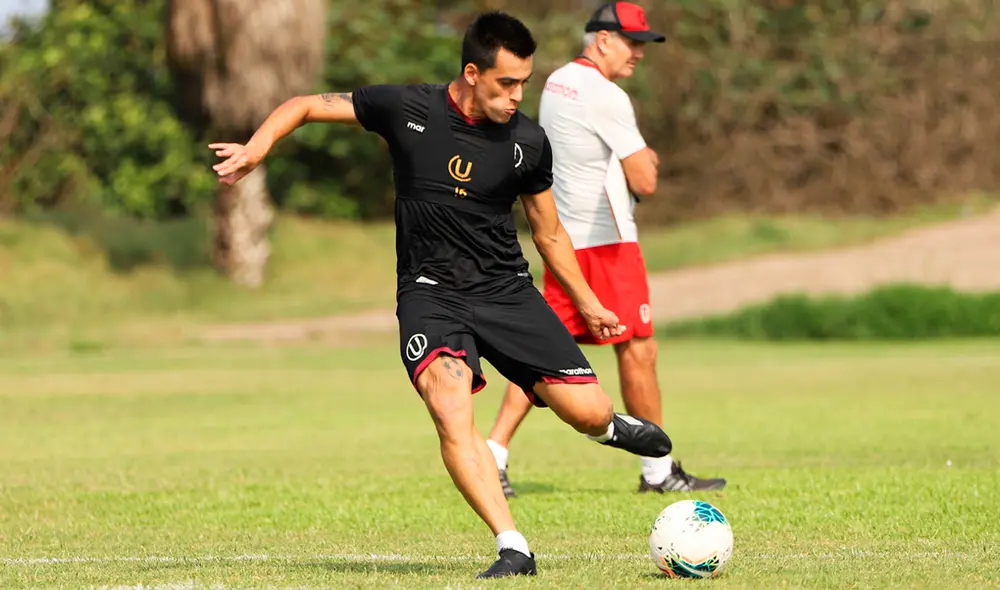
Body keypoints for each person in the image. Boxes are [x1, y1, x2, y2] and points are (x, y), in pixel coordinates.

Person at [209, 10, 676, 580]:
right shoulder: (408, 108)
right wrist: (257, 148)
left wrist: (588, 303)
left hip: (506, 292)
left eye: (524, 83)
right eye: (507, 83)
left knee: (585, 412)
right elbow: (306, 105)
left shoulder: (528, 141)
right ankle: (513, 546)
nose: (517, 96)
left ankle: (611, 428)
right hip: (430, 294)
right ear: (472, 73)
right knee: (450, 408)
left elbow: (550, 233)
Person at [485, 2, 727, 498]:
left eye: (643, 43)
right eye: (631, 42)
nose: (639, 52)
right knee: (638, 348)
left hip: (565, 242)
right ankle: (658, 472)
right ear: (601, 40)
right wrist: (646, 160)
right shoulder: (606, 94)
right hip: (608, 242)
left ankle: (494, 452)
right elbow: (646, 180)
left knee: (540, 354)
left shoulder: (557, 82)